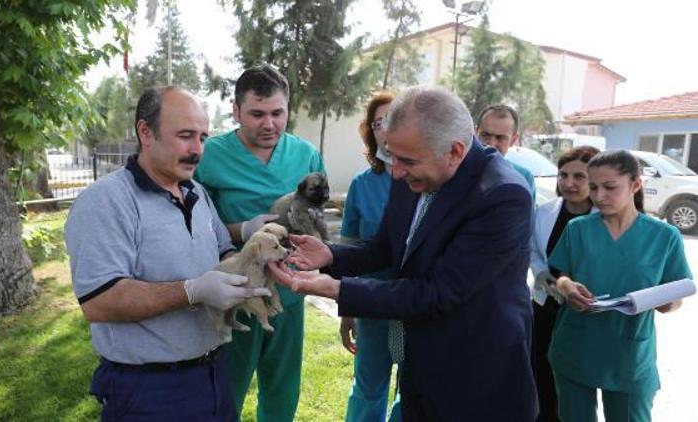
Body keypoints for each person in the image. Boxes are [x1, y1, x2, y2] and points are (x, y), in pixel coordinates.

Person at [269, 86, 538, 421]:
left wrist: (336, 289)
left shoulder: (502, 194)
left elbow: (438, 292)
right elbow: (386, 247)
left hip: (474, 378)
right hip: (420, 360)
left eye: (406, 161)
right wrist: (331, 257)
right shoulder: (413, 165)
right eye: (391, 156)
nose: (395, 171)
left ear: (454, 151)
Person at [64, 87, 271, 421]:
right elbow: (99, 301)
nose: (198, 150)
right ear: (145, 132)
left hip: (215, 374)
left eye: (203, 137)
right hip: (148, 390)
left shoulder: (197, 193)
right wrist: (192, 290)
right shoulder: (105, 201)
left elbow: (225, 252)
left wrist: (259, 261)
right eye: (186, 136)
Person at [195, 64, 325, 421]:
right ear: (236, 112)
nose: (269, 124)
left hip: (287, 288)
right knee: (228, 386)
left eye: (277, 113)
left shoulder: (305, 155)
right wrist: (241, 229)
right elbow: (189, 222)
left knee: (282, 388)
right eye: (257, 114)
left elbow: (315, 213)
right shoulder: (210, 156)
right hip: (233, 287)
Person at [548, 149, 692, 422]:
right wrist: (567, 288)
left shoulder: (664, 236)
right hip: (576, 345)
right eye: (593, 187)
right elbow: (562, 276)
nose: (599, 196)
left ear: (636, 184)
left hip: (628, 354)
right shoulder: (578, 229)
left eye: (610, 187)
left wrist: (664, 302)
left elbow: (676, 297)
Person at [339, 91, 402, 422]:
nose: (386, 129)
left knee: (412, 393)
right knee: (368, 389)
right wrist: (348, 307)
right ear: (371, 131)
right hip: (372, 303)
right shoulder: (362, 185)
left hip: (416, 307)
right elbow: (349, 249)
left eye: (393, 119)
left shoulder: (432, 181)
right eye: (379, 123)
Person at [529, 145, 600, 422]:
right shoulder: (544, 211)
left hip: (584, 310)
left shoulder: (604, 218)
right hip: (546, 306)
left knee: (577, 385)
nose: (569, 183)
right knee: (541, 377)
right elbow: (533, 249)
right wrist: (541, 274)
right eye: (563, 175)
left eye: (579, 177)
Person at [476, 104, 537, 202]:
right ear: (475, 133)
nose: (491, 144)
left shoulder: (524, 176)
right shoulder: (455, 170)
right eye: (485, 135)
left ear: (513, 140)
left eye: (500, 138)